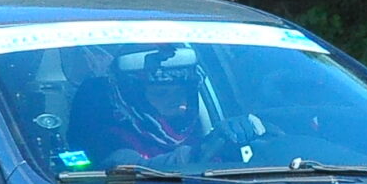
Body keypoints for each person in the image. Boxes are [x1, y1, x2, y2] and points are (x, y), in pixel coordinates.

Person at [70, 44, 263, 167]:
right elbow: (144, 169)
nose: (180, 103)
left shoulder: (197, 129)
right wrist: (205, 149)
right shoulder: (111, 141)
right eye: (161, 93)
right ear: (132, 99)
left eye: (182, 92)